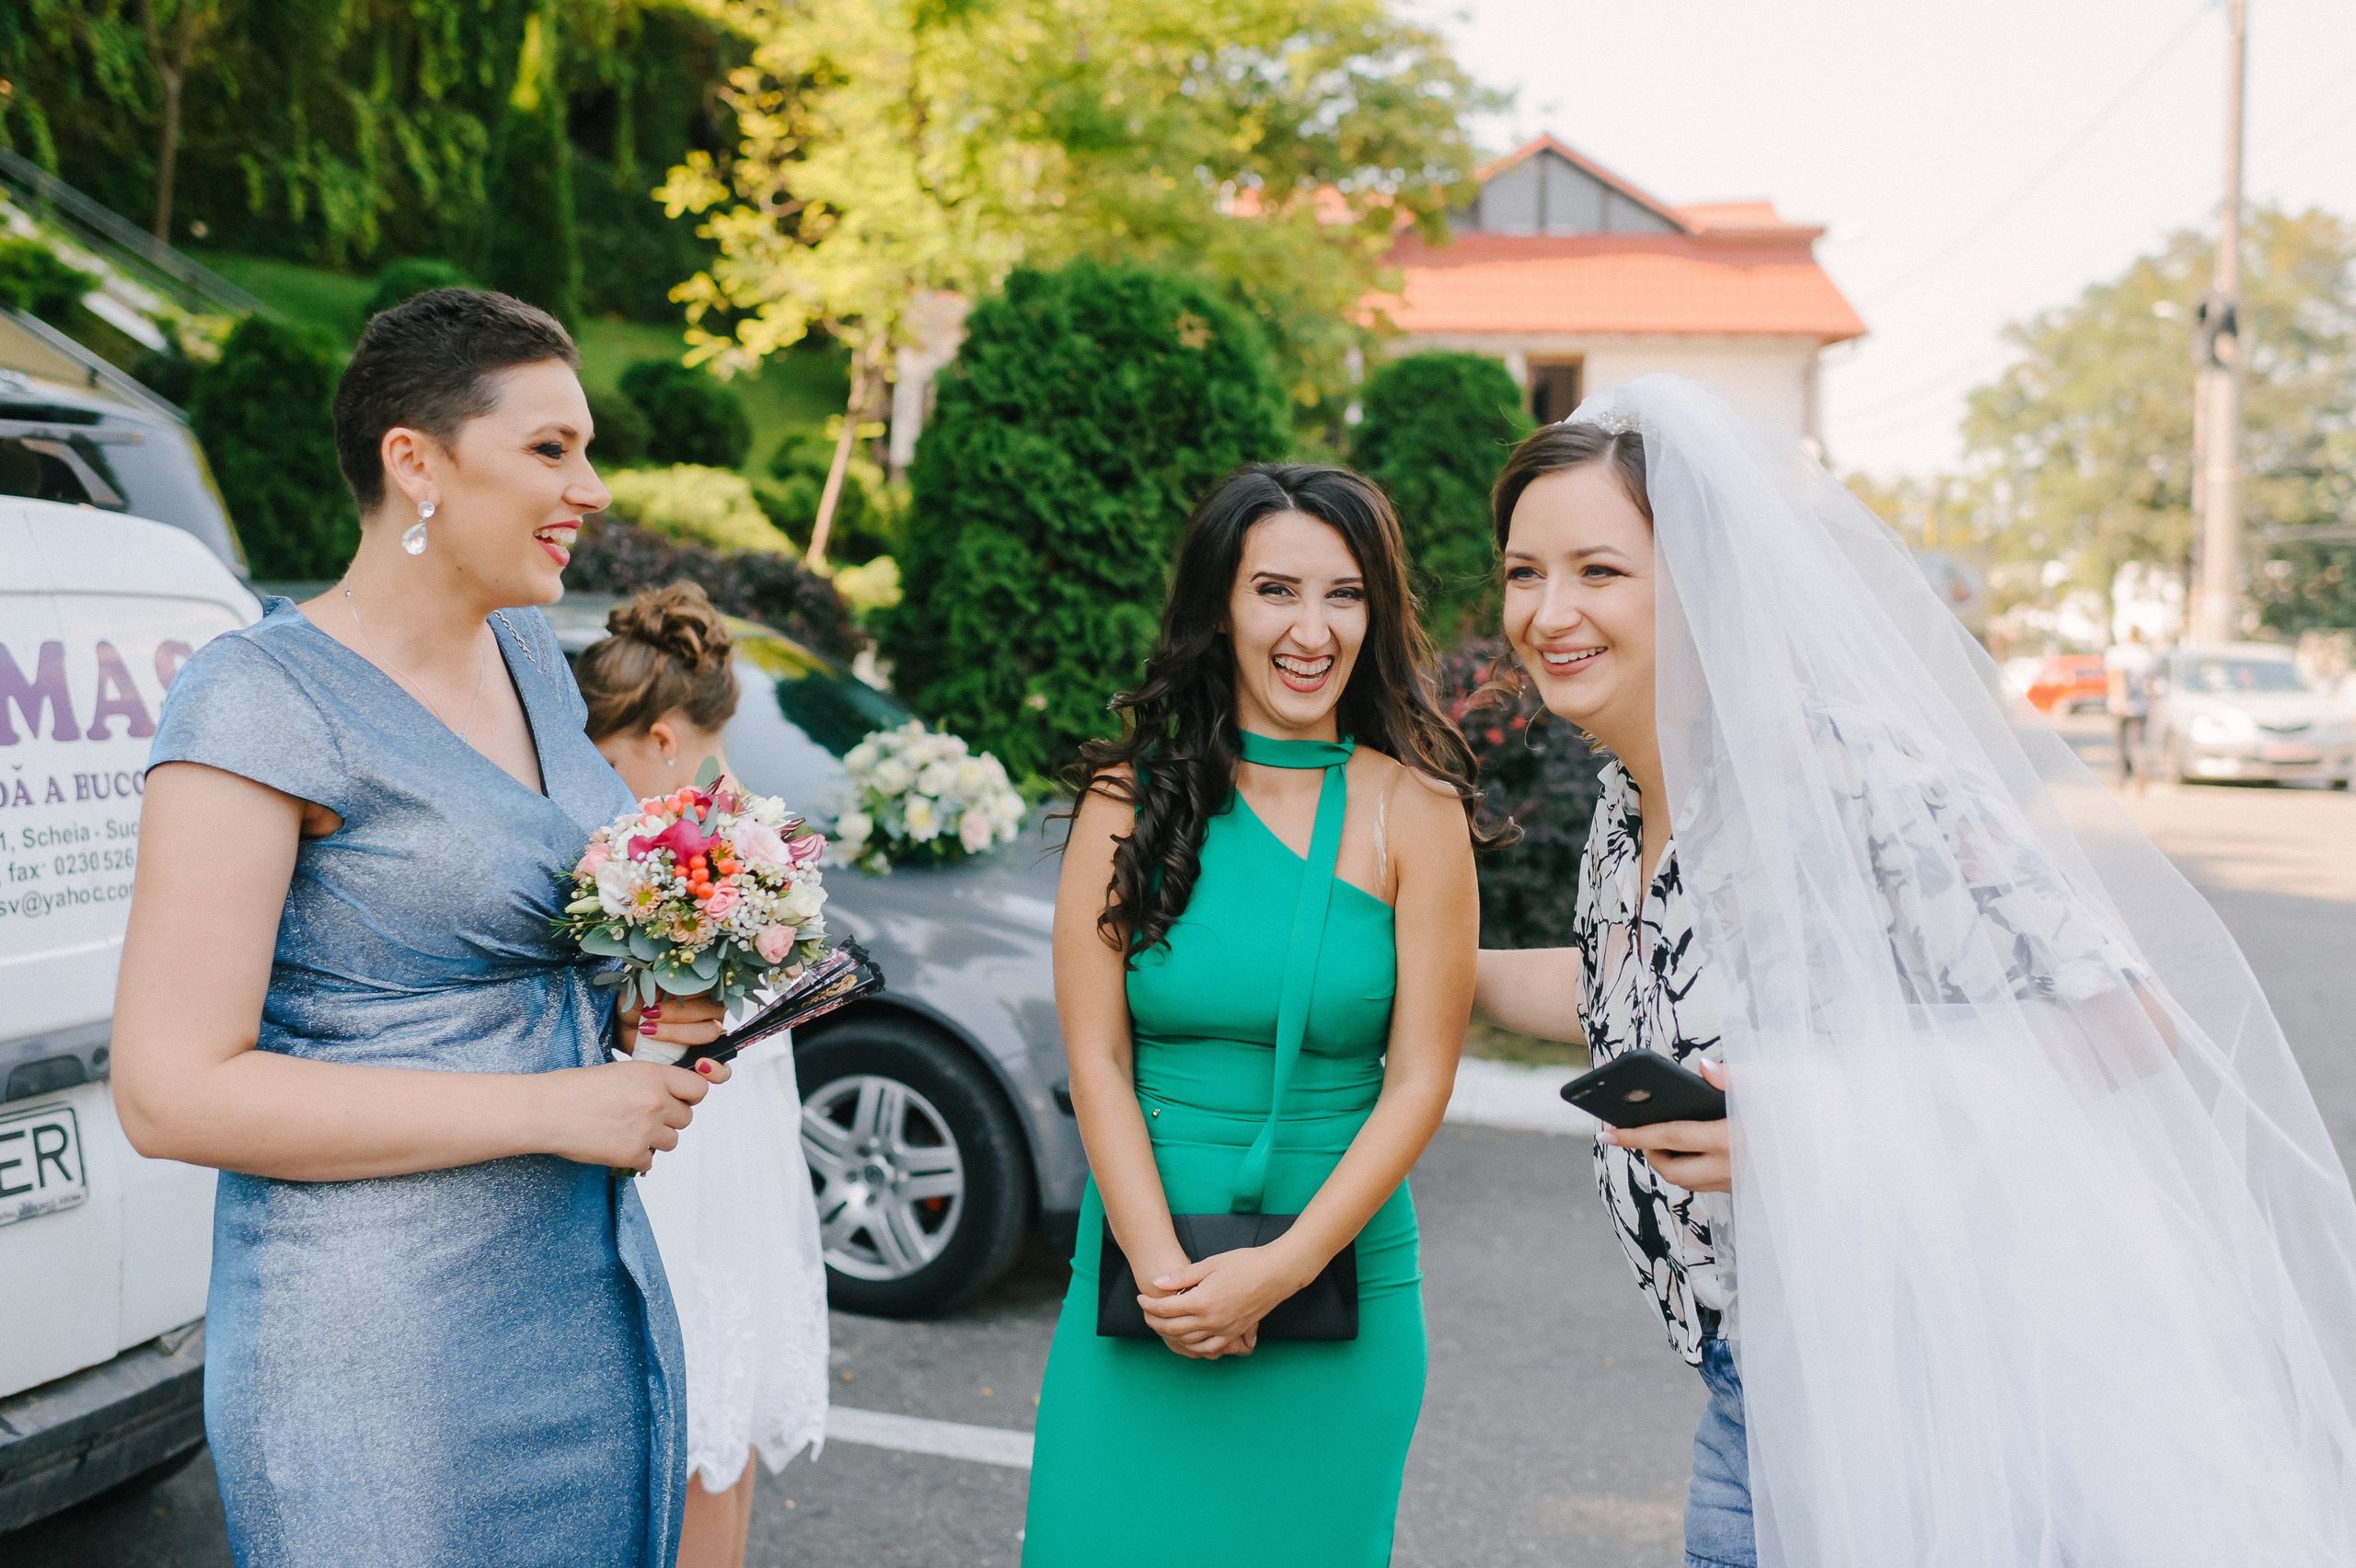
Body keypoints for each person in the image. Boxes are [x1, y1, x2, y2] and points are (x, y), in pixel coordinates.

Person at [1472, 376, 2356, 1568]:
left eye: (1599, 570)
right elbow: (1621, 989)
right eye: (1524, 572)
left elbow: (2122, 1019)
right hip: (1751, 1395)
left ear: (1702, 583)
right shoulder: (1628, 808)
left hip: (1937, 1407)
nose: (1549, 611)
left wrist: (1808, 1118)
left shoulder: (1841, 771)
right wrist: (1423, 972)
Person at [110, 287, 731, 1568]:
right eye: (551, 449)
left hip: (585, 1298)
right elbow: (170, 1095)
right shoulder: (258, 701)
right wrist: (553, 1108)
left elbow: (532, 929)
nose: (592, 489)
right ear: (417, 462)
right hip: (381, 1348)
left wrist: (667, 986)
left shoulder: (532, 657)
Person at [1022, 466, 1484, 1566]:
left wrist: (1279, 1271)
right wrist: (1164, 1276)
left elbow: (1420, 1080)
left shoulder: (1417, 814)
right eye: (1276, 590)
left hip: (1340, 1287)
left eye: (1345, 595)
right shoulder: (1126, 802)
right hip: (1141, 1280)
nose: (1311, 631)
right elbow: (1096, 1060)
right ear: (1219, 607)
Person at [577, 582, 831, 1568]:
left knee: (686, 1407)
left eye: (608, 761)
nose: (598, 783)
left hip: (688, 1146)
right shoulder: (767, 847)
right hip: (742, 1151)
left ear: (661, 739)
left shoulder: (683, 857)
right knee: (723, 1404)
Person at [2105, 624, 2158, 790]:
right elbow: (2151, 682)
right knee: (2138, 743)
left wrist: (2120, 700)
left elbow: (2114, 677)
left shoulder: (2116, 653)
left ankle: (2120, 778)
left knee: (2120, 744)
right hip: (2140, 705)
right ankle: (2140, 770)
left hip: (2118, 704)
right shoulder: (2146, 654)